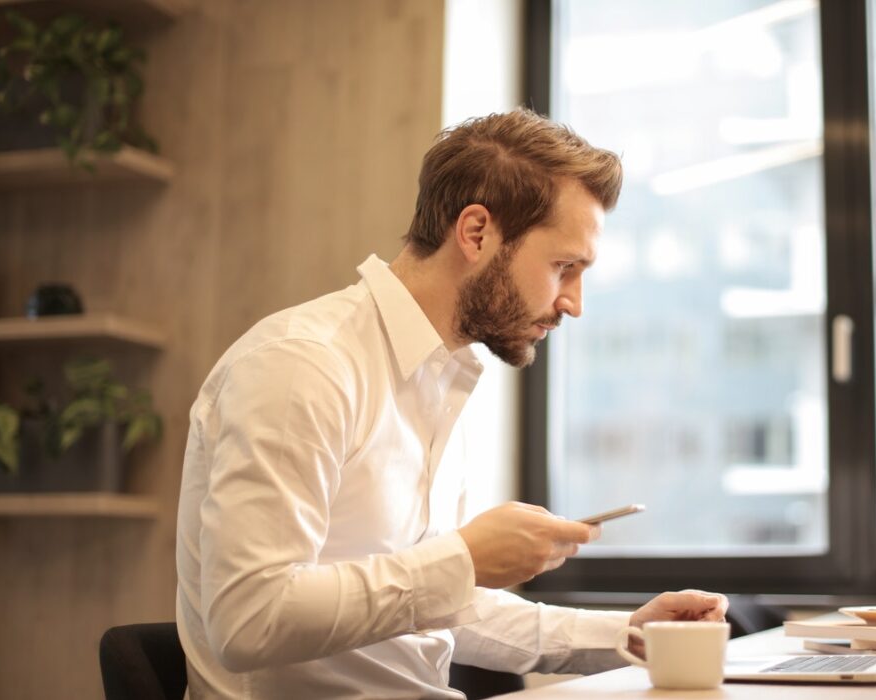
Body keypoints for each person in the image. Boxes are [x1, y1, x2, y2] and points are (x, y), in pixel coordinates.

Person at [175, 108, 728, 699]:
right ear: (476, 233)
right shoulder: (302, 365)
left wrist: (627, 634)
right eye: (563, 267)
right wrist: (462, 560)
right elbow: (248, 620)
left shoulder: (440, 379)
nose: (574, 303)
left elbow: (425, 608)